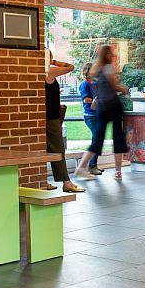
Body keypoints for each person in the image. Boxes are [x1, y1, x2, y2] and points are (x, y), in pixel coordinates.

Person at [75, 44, 128, 180]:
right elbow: (114, 85)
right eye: (111, 53)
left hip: (101, 108)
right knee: (118, 138)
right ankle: (118, 171)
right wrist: (123, 89)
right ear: (106, 55)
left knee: (98, 139)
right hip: (113, 106)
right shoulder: (108, 68)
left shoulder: (96, 71)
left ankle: (82, 166)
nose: (113, 55)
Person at [45, 54, 83, 193]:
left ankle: (41, 181)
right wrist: (53, 62)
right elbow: (69, 67)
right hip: (51, 117)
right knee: (58, 149)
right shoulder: (48, 71)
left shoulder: (38, 71)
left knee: (43, 149)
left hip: (43, 116)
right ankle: (66, 182)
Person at [79, 62, 103, 175]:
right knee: (97, 139)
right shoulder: (85, 84)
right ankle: (91, 166)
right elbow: (86, 99)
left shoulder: (96, 83)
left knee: (97, 140)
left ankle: (92, 165)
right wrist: (95, 99)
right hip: (90, 116)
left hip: (98, 115)